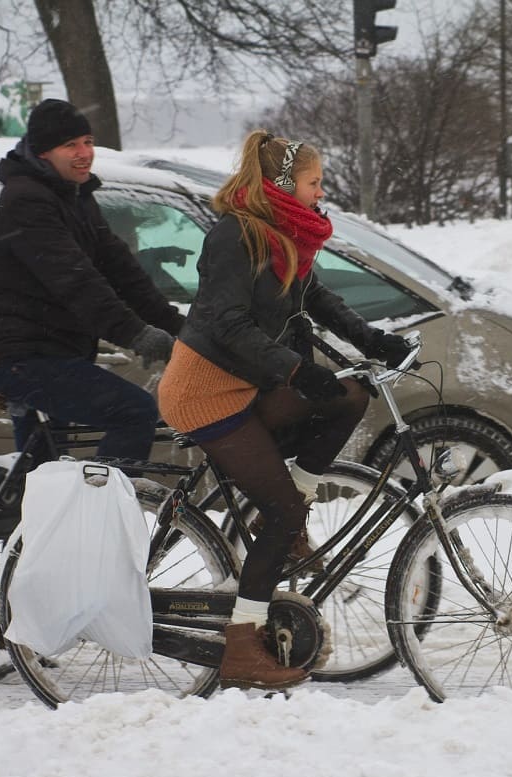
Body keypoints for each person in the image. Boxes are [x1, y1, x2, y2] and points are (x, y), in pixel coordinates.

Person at [157, 130, 412, 690]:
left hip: (247, 381)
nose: (322, 192)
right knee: (282, 512)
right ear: (283, 185)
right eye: (315, 182)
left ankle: (290, 502)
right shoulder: (235, 236)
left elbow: (315, 297)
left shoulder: (282, 232)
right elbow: (226, 323)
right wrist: (296, 370)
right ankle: (243, 646)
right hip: (204, 391)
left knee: (350, 395)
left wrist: (374, 340)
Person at [0, 98, 185, 648]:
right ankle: (91, 550)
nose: (86, 153)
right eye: (73, 145)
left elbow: (121, 274)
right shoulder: (28, 202)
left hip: (51, 355)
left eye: (89, 142)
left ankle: (8, 615)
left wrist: (182, 330)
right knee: (134, 411)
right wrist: (138, 337)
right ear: (45, 151)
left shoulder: (74, 198)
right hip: (24, 357)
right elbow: (76, 283)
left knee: (39, 500)